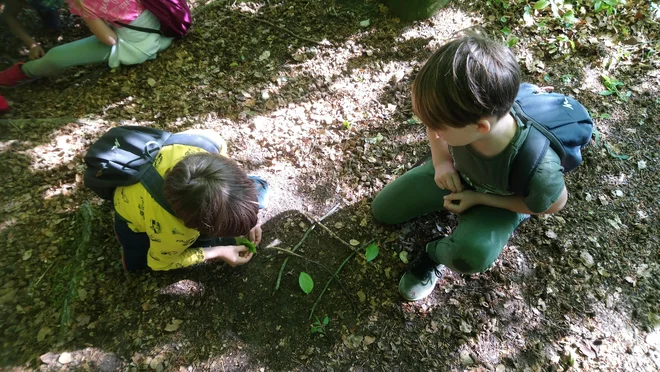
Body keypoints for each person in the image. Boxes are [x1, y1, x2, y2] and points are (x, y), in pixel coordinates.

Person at [372, 34, 569, 301]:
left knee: (471, 255)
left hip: (501, 196)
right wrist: (442, 162)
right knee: (384, 210)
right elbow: (434, 128)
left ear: (480, 128)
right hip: (456, 175)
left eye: (439, 126)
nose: (433, 130)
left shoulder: (537, 167)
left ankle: (433, 253)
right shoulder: (460, 121)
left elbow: (551, 204)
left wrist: (478, 198)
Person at [113, 129, 269, 272]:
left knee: (259, 190)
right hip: (130, 212)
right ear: (194, 224)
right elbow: (159, 263)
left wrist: (250, 219)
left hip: (148, 178)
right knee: (138, 262)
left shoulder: (209, 142)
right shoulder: (175, 232)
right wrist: (219, 252)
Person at [0, 0, 172, 86]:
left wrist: (94, 18)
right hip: (162, 22)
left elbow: (110, 40)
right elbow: (8, 14)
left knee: (55, 57)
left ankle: (23, 72)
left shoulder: (85, 4)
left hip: (138, 44)